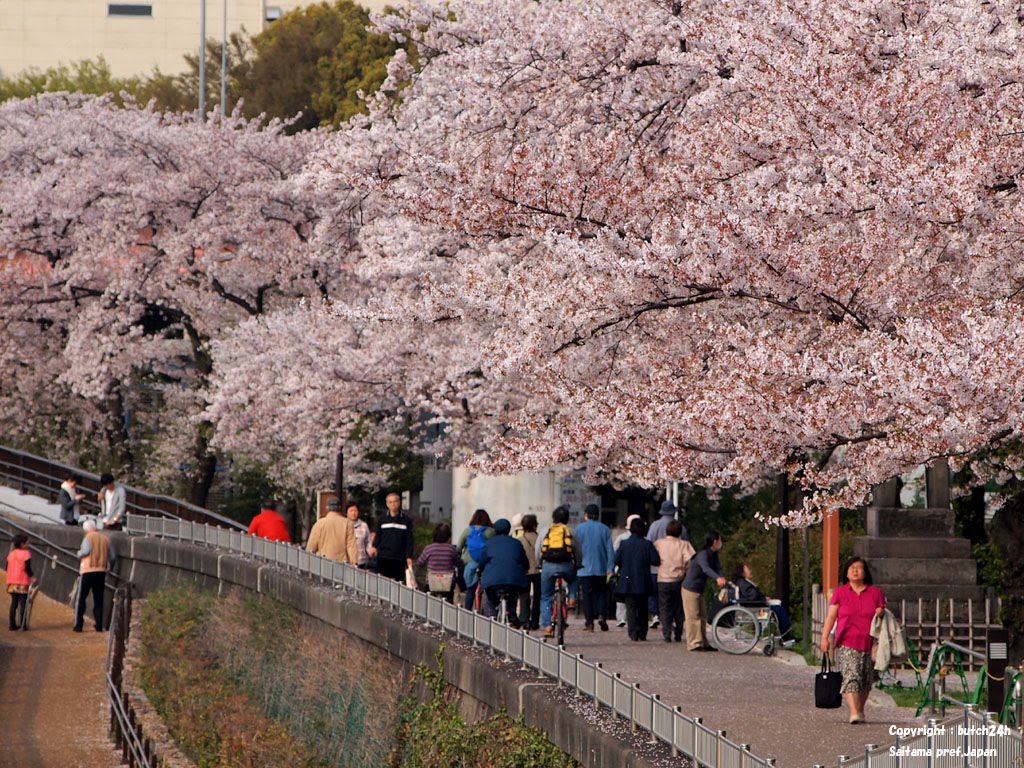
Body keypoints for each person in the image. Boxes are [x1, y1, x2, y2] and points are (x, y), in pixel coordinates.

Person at [820, 556, 886, 724]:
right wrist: (825, 637)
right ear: (847, 573)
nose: (855, 570)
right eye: (852, 568)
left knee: (866, 678)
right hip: (847, 641)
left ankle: (861, 710)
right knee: (851, 675)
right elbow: (831, 616)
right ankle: (854, 712)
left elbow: (883, 615)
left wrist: (880, 612)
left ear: (865, 572)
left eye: (859, 567)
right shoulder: (840, 593)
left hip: (870, 642)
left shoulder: (875, 593)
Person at [613, 517, 660, 641]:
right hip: (643, 579)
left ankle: (633, 632)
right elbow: (656, 560)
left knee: (631, 607)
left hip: (627, 579)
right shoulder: (647, 544)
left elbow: (616, 560)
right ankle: (642, 632)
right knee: (643, 607)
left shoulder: (624, 544)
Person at [537, 505, 580, 638]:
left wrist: (540, 564)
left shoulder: (545, 531)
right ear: (567, 519)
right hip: (566, 565)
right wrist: (578, 564)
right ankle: (572, 598)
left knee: (546, 597)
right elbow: (577, 550)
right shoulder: (570, 531)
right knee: (573, 579)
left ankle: (547, 626)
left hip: (548, 566)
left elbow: (538, 551)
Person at [477, 518, 529, 626]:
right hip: (513, 580)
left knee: (491, 600)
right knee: (513, 595)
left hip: (492, 581)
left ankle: (492, 618)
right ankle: (512, 614)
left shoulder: (489, 543)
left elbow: (481, 562)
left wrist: (479, 570)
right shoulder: (516, 543)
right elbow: (525, 562)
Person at [681, 530, 727, 651]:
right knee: (693, 616)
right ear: (715, 541)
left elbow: (718, 567)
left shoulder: (714, 554)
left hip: (699, 589)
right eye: (720, 540)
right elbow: (706, 568)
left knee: (702, 616)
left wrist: (721, 576)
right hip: (690, 588)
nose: (720, 543)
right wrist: (717, 578)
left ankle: (703, 642)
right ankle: (694, 643)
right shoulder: (703, 554)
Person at [654, 520, 696, 642]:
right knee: (679, 607)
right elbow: (690, 560)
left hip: (663, 578)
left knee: (664, 607)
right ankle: (678, 632)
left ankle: (667, 633)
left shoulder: (658, 543)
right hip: (679, 578)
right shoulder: (684, 544)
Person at [575, 503, 614, 632]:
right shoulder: (605, 529)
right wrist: (610, 568)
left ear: (586, 515)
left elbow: (576, 548)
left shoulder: (579, 529)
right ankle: (602, 615)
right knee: (601, 593)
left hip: (584, 569)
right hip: (601, 568)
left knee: (587, 596)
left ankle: (589, 622)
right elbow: (610, 550)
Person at [74, 519, 116, 632]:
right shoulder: (106, 538)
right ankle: (98, 624)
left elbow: (86, 551)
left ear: (86, 530)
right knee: (99, 598)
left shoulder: (88, 538)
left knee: (82, 598)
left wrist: (78, 553)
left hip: (87, 570)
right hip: (101, 570)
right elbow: (112, 557)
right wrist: (109, 567)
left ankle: (78, 624)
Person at [734, 562, 792, 637]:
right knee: (779, 610)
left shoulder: (741, 582)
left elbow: (752, 595)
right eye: (747, 569)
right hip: (756, 610)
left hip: (753, 608)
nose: (750, 571)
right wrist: (764, 599)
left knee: (778, 607)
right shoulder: (744, 583)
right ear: (742, 572)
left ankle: (784, 634)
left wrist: (764, 598)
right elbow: (753, 596)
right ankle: (786, 635)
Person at [368, 491, 415, 583]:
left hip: (399, 557)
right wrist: (374, 546)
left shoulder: (406, 520)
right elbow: (378, 534)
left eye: (395, 501)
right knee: (383, 582)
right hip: (384, 556)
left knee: (398, 583)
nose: (393, 504)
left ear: (399, 502)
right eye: (390, 502)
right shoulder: (382, 519)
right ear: (387, 504)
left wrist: (409, 556)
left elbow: (409, 539)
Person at [456, 509, 494, 610]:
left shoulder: (468, 530)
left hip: (468, 563)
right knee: (488, 591)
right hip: (485, 563)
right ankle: (489, 614)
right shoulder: (491, 532)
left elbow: (458, 547)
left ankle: (467, 612)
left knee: (470, 590)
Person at [306, 497, 358, 564]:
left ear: (327, 508)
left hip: (322, 563)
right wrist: (354, 562)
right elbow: (351, 547)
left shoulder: (319, 524)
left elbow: (311, 546)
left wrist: (308, 561)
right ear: (340, 508)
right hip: (341, 563)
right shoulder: (347, 524)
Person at [416, 523, 460, 603]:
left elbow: (419, 562)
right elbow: (459, 563)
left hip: (431, 583)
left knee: (428, 601)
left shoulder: (429, 549)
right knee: (449, 600)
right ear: (448, 537)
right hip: (448, 583)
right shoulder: (451, 549)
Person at [613, 514, 641, 627]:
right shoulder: (644, 539)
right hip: (637, 571)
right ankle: (626, 617)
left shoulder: (622, 539)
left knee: (622, 594)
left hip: (623, 570)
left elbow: (616, 555)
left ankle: (622, 618)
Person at [516, 514, 541, 630]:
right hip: (538, 570)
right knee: (537, 596)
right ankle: (535, 620)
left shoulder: (520, 540)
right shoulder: (540, 538)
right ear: (535, 525)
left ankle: (524, 619)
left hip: (525, 571)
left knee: (524, 596)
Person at [7, 534, 35, 630]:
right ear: (22, 544)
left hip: (11, 582)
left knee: (14, 603)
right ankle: (23, 624)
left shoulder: (11, 554)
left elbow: (7, 567)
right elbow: (27, 567)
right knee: (23, 603)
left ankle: (12, 624)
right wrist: (32, 577)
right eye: (27, 542)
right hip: (23, 582)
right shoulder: (26, 554)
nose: (28, 544)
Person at [347, 502, 372, 567]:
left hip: (362, 560)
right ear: (346, 513)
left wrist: (370, 552)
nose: (353, 513)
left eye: (355, 511)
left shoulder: (364, 525)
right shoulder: (343, 525)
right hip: (348, 561)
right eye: (351, 511)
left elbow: (368, 541)